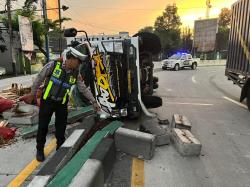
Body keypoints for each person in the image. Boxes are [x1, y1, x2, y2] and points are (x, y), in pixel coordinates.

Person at [23, 47, 100, 162]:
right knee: (43, 126)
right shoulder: (52, 66)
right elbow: (39, 79)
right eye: (78, 62)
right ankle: (40, 149)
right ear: (71, 59)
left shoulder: (75, 73)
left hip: (62, 104)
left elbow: (83, 88)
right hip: (47, 101)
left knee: (61, 127)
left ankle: (60, 147)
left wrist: (94, 101)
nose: (79, 65)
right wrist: (32, 94)